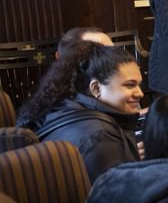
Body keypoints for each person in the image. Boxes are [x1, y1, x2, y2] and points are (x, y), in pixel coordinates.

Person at [15, 42, 142, 180]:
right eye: (130, 85)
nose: (140, 93)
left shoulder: (61, 107)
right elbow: (118, 197)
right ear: (96, 88)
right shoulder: (101, 136)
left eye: (139, 85)